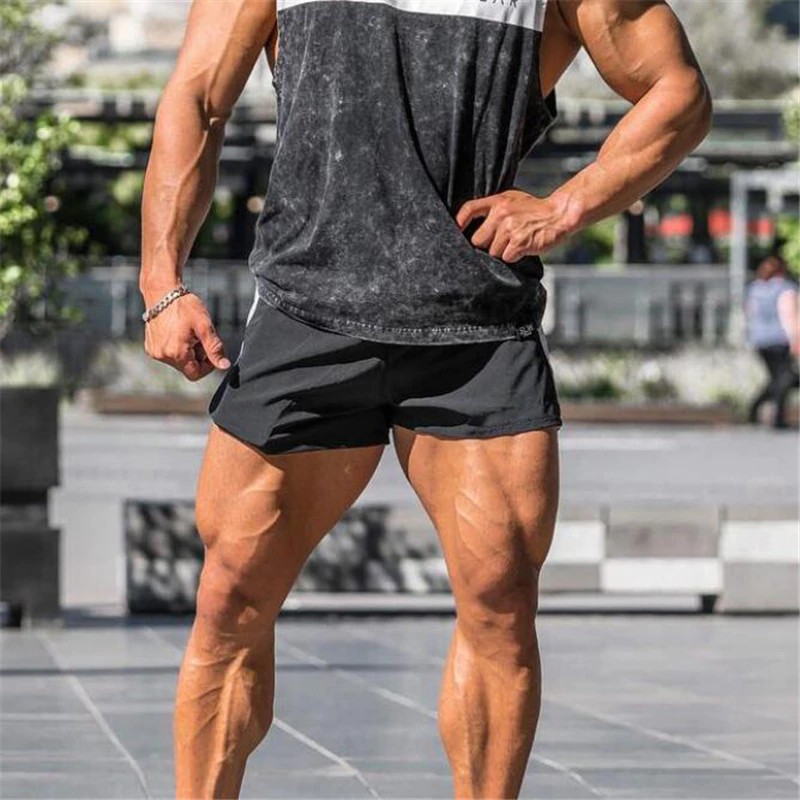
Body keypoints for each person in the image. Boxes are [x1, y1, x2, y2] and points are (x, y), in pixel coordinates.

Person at [138, 0, 712, 796]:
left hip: (474, 326)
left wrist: (567, 204)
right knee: (231, 595)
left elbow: (678, 90)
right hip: (307, 311)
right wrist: (162, 284)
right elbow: (198, 95)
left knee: (501, 599)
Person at [747, 255, 800, 429]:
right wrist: (795, 338)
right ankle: (776, 416)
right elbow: (789, 315)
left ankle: (758, 409)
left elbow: (750, 313)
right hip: (779, 339)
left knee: (777, 378)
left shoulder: (755, 289)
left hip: (760, 339)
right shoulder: (785, 288)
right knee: (784, 378)